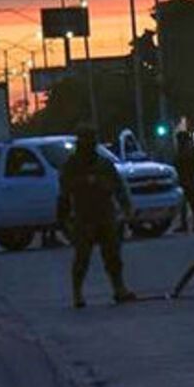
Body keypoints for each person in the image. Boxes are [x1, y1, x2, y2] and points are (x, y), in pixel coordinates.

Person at [58, 125, 135, 308]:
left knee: (113, 256)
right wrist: (64, 218)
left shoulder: (104, 164)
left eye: (90, 140)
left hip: (105, 214)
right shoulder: (72, 165)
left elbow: (118, 187)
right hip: (84, 217)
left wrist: (126, 207)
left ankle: (119, 289)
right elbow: (64, 191)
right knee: (82, 258)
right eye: (85, 141)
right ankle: (77, 293)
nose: (88, 144)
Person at [174, 130, 194, 232]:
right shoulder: (188, 150)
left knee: (188, 202)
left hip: (186, 179)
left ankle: (189, 224)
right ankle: (191, 223)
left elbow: (192, 166)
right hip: (187, 179)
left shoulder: (185, 152)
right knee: (189, 202)